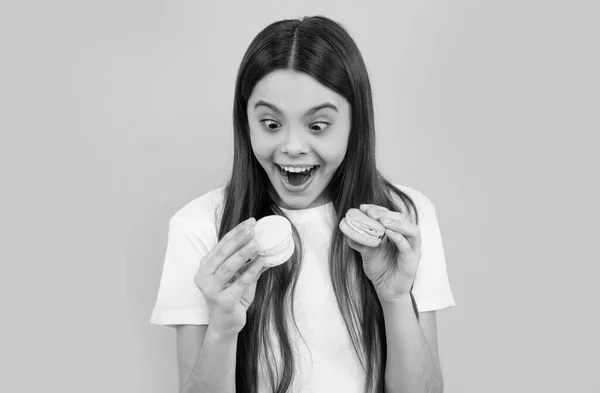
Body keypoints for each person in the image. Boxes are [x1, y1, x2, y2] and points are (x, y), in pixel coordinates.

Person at [150, 15, 455, 393]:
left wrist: (394, 298)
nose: (292, 146)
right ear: (245, 121)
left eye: (317, 126)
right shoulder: (198, 226)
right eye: (271, 124)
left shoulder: (405, 217)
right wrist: (223, 328)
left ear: (354, 123)